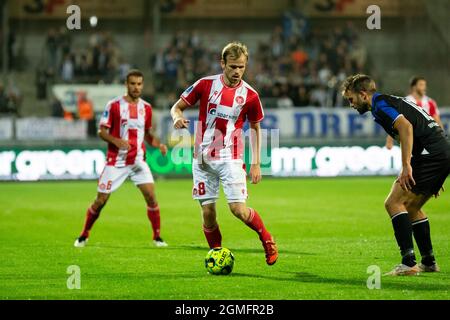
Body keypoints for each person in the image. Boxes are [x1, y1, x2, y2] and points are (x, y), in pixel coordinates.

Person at [170, 42, 278, 265]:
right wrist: (177, 118)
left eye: (241, 67)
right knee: (208, 213)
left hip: (231, 156)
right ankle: (218, 256)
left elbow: (256, 128)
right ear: (223, 64)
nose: (237, 71)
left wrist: (256, 163)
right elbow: (176, 106)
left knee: (238, 210)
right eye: (232, 66)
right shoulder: (205, 84)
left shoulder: (250, 95)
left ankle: (266, 238)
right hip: (202, 159)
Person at [342, 74, 450, 276]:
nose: (351, 104)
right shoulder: (390, 101)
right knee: (412, 206)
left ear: (363, 94)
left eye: (351, 99)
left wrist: (406, 165)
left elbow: (405, 126)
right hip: (440, 153)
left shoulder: (380, 104)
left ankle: (409, 263)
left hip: (429, 154)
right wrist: (438, 171)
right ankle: (428, 261)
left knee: (393, 203)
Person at [74, 69, 169, 248]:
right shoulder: (114, 105)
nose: (136, 87)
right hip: (116, 161)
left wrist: (158, 145)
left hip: (138, 160)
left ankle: (157, 237)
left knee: (151, 197)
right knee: (100, 200)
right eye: (132, 83)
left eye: (139, 84)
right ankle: (84, 234)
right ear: (126, 84)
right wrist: (116, 141)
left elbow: (148, 134)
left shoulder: (146, 108)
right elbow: (101, 131)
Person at [386, 76, 443, 149]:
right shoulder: (405, 102)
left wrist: (442, 138)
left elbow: (437, 121)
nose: (424, 88)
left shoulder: (430, 102)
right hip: (410, 140)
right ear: (414, 87)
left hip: (428, 140)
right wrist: (389, 140)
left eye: (425, 85)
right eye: (421, 85)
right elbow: (396, 121)